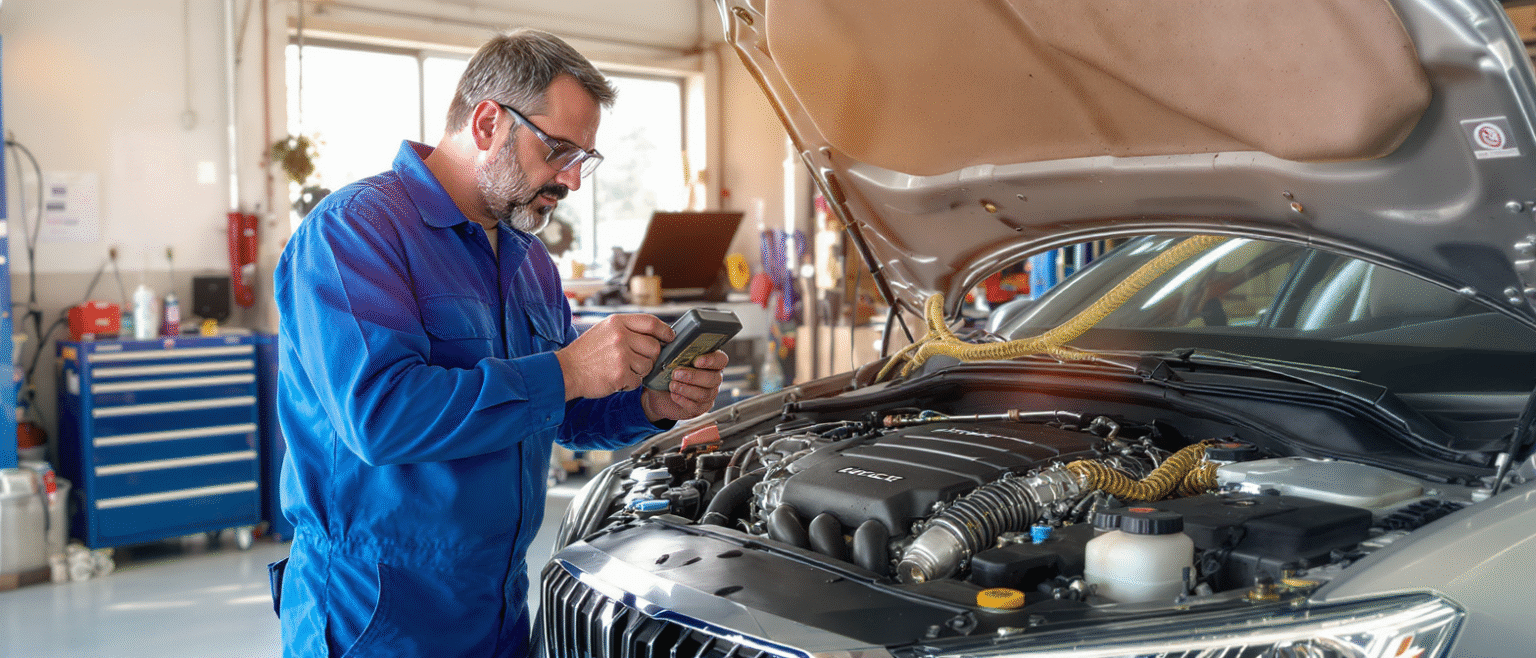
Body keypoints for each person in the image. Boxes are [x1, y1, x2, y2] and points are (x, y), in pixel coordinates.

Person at [270, 29, 727, 657]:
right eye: (559, 151)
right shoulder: (355, 234)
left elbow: (559, 411)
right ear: (488, 121)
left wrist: (648, 404)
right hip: (378, 610)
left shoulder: (527, 257)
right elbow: (380, 418)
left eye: (583, 161)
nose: (570, 181)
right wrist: (569, 369)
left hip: (498, 602)